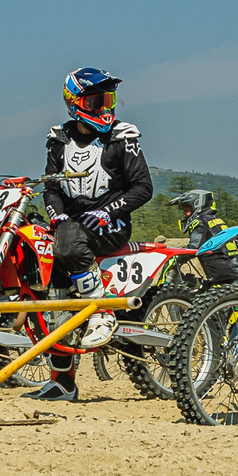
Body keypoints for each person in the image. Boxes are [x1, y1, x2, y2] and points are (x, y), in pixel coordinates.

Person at [33, 67, 152, 401]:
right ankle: (62, 382)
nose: (104, 108)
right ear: (75, 103)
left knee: (70, 242)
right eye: (96, 100)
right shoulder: (58, 140)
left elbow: (144, 187)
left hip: (111, 221)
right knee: (55, 286)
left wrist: (110, 210)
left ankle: (100, 311)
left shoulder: (121, 137)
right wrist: (55, 216)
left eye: (108, 99)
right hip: (70, 223)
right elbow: (50, 188)